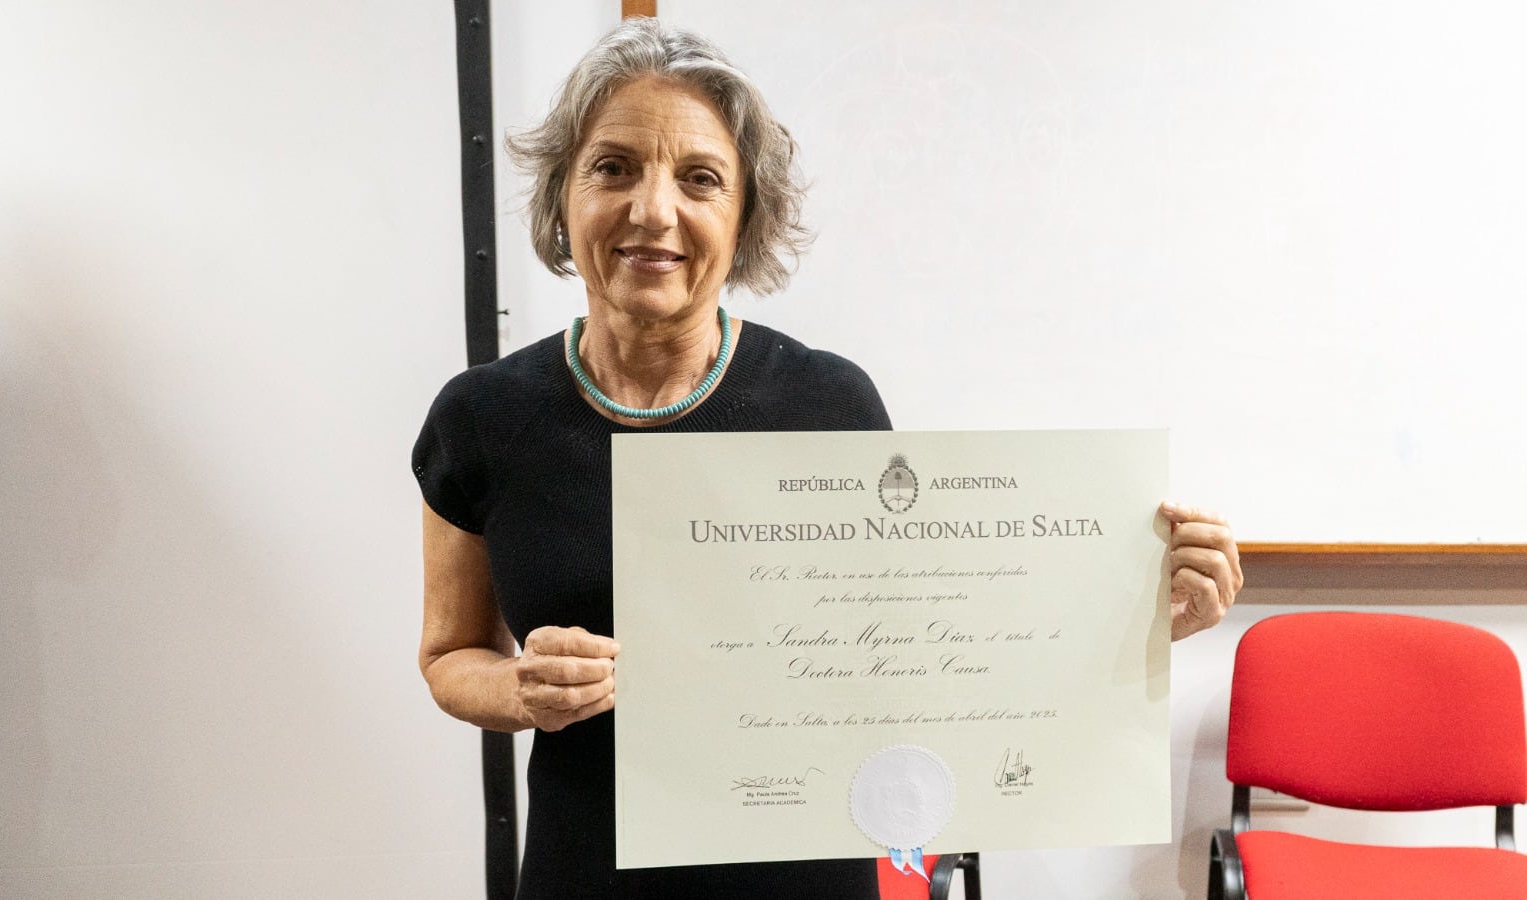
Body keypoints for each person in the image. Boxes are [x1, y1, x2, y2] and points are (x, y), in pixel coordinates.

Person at [413, 19, 1243, 900]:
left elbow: (926, 656)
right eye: (613, 167)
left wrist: (1135, 623)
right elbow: (449, 654)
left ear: (745, 217)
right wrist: (520, 691)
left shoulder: (829, 404)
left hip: (803, 872)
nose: (653, 210)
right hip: (587, 868)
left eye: (700, 179)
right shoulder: (483, 418)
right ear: (561, 194)